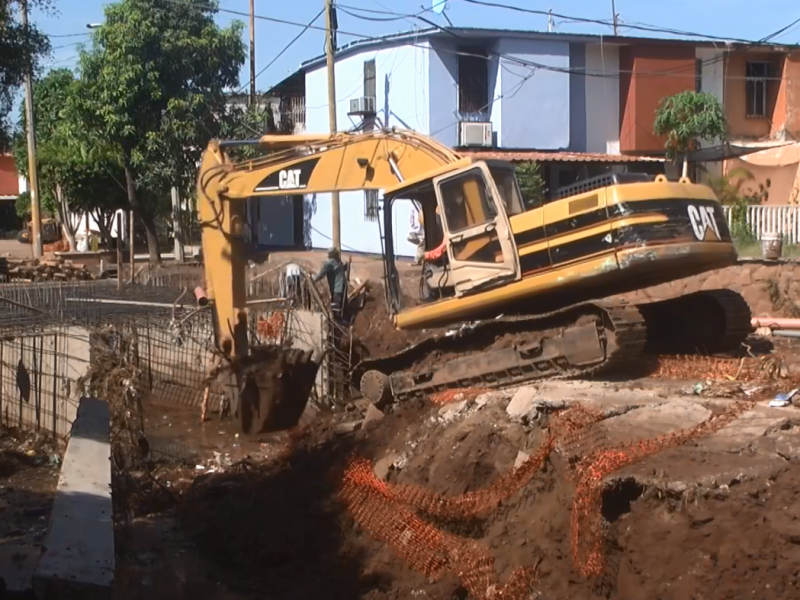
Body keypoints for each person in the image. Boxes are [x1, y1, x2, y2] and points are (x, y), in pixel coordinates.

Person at [313, 247, 347, 317]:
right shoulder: (331, 263)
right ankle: (339, 320)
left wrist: (346, 266)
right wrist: (313, 280)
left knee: (340, 305)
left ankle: (341, 319)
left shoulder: (337, 262)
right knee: (338, 305)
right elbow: (322, 274)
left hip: (340, 287)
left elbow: (340, 270)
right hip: (338, 288)